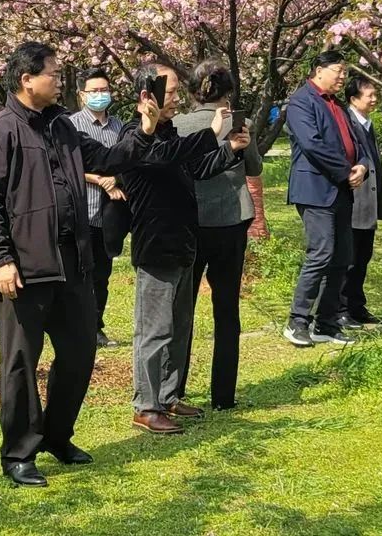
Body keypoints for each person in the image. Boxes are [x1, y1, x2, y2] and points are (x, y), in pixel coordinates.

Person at [0, 42, 162, 488]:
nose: (60, 80)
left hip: (74, 264)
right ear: (27, 79)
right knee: (20, 363)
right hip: (25, 268)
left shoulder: (62, 127)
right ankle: (19, 452)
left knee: (79, 354)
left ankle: (57, 435)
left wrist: (144, 130)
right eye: (54, 73)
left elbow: (108, 160)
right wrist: (0, 259)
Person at [119, 62, 251, 434]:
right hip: (157, 244)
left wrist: (230, 149)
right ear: (148, 97)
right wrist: (210, 133)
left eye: (177, 91)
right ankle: (145, 406)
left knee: (178, 325)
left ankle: (168, 395)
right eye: (171, 92)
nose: (177, 98)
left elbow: (194, 168)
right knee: (154, 330)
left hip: (184, 241)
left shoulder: (169, 131)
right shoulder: (135, 138)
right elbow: (163, 160)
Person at [172, 60, 264, 411]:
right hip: (229, 222)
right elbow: (253, 168)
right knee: (226, 310)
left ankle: (174, 389)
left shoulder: (178, 125)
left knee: (183, 309)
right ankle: (223, 395)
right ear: (228, 92)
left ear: (191, 91)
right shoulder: (239, 124)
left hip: (190, 224)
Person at [283, 50, 368, 348]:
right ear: (319, 70)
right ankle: (298, 321)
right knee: (321, 253)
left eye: (344, 70)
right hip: (315, 189)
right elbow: (312, 144)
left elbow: (358, 142)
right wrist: (346, 171)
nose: (342, 76)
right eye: (338, 70)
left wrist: (362, 166)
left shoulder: (338, 105)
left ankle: (327, 322)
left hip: (342, 189)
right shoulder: (301, 102)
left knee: (343, 257)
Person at [68, 65, 126, 348]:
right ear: (82, 95)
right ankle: (77, 327)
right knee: (81, 274)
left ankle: (97, 327)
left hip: (110, 214)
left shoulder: (119, 126)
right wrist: (98, 180)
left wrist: (116, 179)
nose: (100, 95)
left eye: (104, 90)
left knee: (102, 274)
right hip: (82, 210)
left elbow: (127, 161)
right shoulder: (72, 125)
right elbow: (64, 167)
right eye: (94, 91)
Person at [339, 75, 382, 329]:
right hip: (354, 199)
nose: (374, 99)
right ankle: (342, 307)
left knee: (363, 256)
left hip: (368, 201)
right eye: (369, 95)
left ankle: (357, 305)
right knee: (349, 257)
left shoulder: (367, 123)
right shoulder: (346, 123)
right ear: (353, 99)